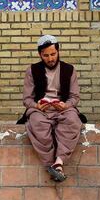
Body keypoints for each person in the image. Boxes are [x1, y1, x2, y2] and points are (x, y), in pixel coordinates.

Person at [19, 34, 84, 182]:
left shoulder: (69, 70)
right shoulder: (32, 70)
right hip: (40, 110)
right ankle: (51, 165)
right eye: (46, 55)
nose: (50, 59)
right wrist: (37, 105)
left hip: (63, 109)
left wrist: (65, 105)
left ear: (58, 51)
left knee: (73, 120)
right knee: (37, 123)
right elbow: (27, 99)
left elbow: (75, 97)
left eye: (53, 54)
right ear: (40, 55)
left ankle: (59, 162)